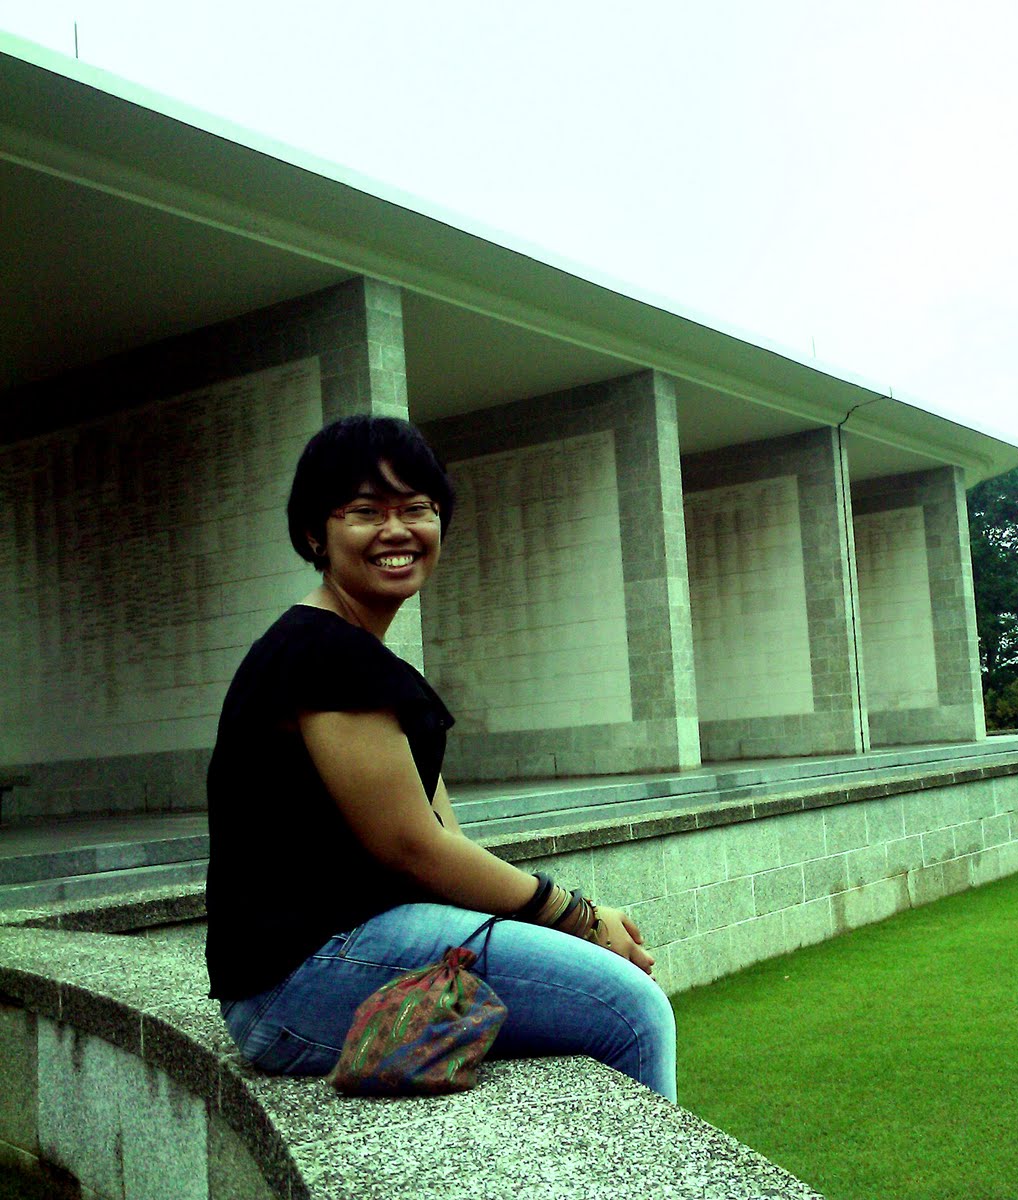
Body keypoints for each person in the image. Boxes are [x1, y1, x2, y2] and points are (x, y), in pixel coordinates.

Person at [205, 414, 675, 1100]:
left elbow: (447, 844)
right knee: (630, 1009)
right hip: (299, 983)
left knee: (599, 981)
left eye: (416, 508)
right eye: (366, 511)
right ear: (314, 534)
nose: (396, 530)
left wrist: (579, 926)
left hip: (332, 962)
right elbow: (413, 849)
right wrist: (579, 917)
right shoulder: (321, 654)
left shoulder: (358, 660)